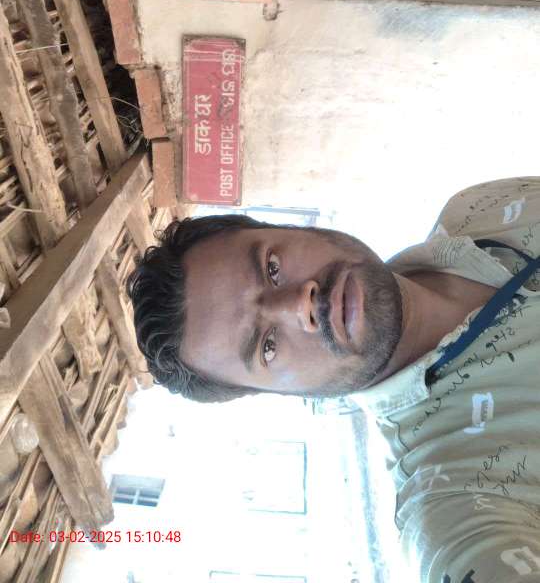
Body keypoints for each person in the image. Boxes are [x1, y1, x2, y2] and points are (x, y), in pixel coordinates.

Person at [128, 178, 540, 583]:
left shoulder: (478, 206)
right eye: (267, 346)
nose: (299, 305)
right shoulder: (452, 497)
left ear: (294, 228)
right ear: (283, 393)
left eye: (272, 268)